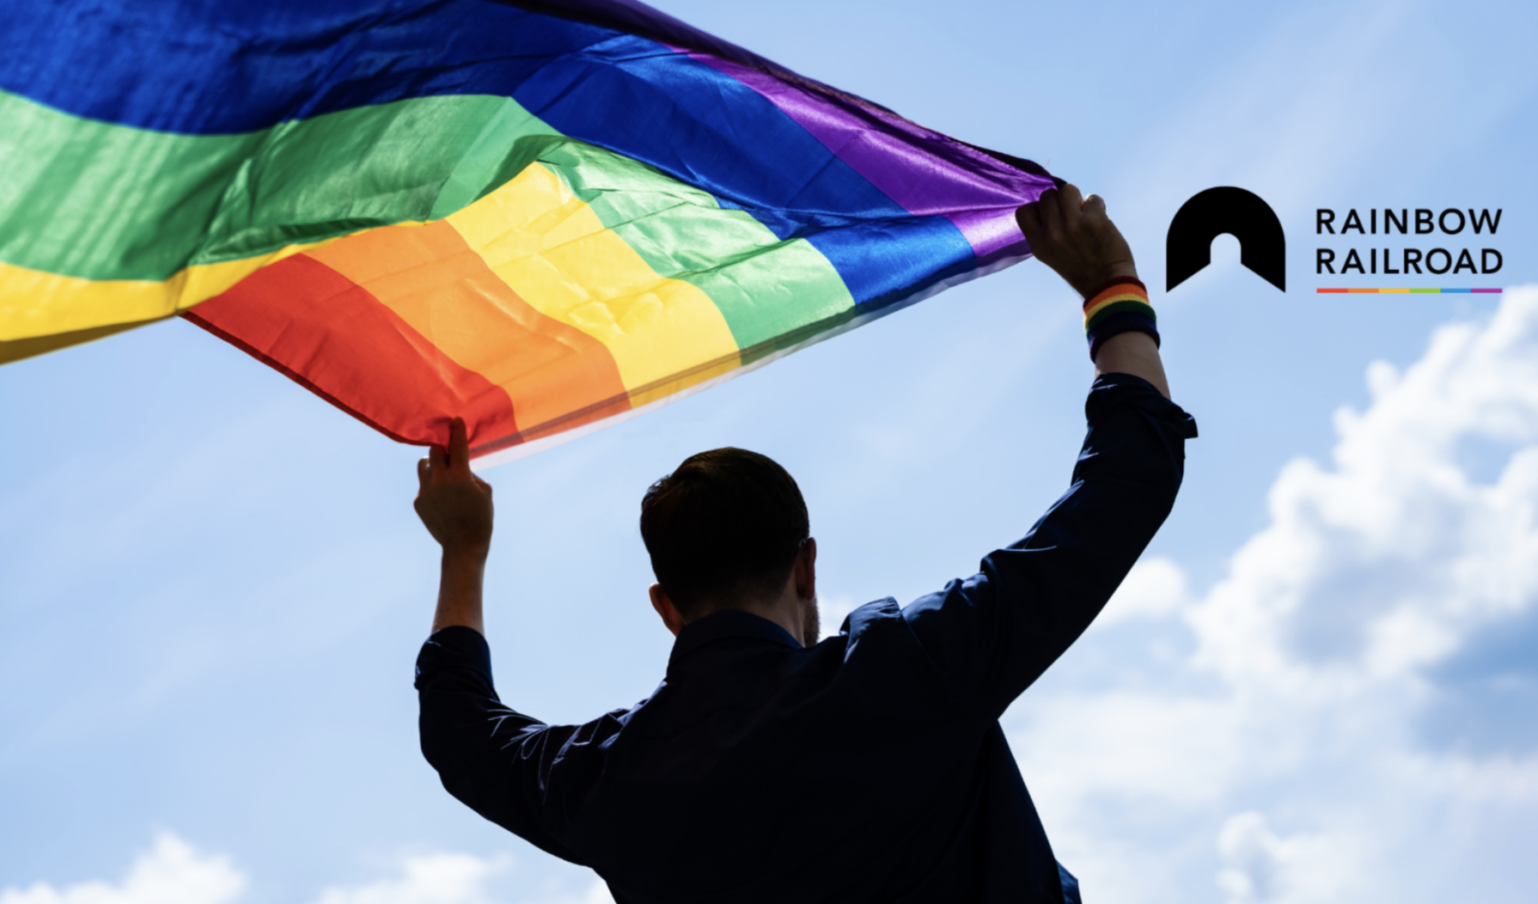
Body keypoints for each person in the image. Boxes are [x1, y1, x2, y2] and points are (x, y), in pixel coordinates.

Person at [412, 185, 1197, 903]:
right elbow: (1123, 492)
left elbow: (459, 734)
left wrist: (462, 552)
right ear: (806, 564)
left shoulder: (609, 780)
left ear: (666, 606)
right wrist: (1112, 292)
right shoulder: (907, 670)